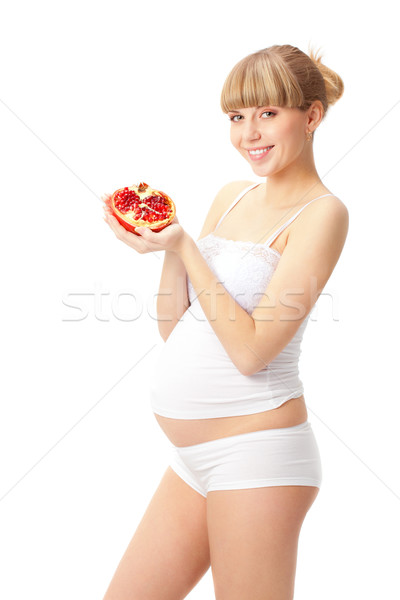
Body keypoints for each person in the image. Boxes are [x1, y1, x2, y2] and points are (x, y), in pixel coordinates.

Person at [101, 43, 348, 600]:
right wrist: (166, 245)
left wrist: (188, 247)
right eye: (237, 117)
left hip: (258, 457)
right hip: (193, 460)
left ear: (311, 115)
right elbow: (175, 329)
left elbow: (253, 350)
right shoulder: (231, 197)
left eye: (268, 113)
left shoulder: (323, 213)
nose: (249, 134)